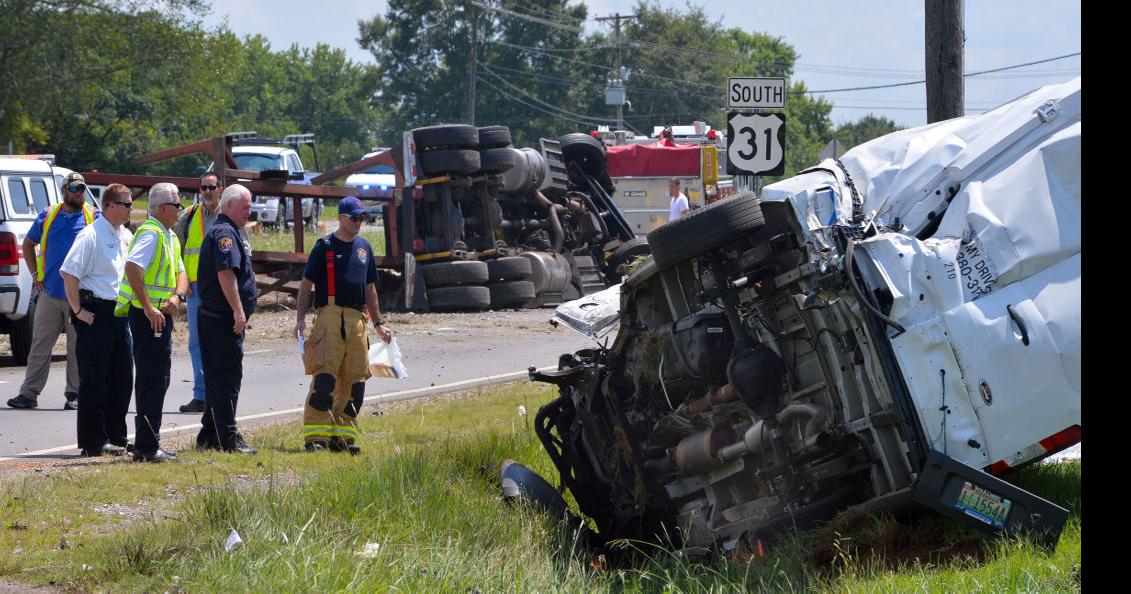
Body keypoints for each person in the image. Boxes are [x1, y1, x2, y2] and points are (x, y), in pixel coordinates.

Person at [294, 196, 392, 454]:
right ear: (341, 217)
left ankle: (342, 437)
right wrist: (300, 319)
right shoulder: (324, 246)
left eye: (362, 218)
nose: (359, 222)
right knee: (325, 380)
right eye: (355, 218)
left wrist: (379, 324)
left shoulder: (364, 248)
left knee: (356, 383)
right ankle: (316, 438)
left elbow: (370, 289)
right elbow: (306, 285)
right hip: (329, 317)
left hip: (357, 321)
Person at [7, 173, 97, 410]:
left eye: (82, 189)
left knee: (77, 347)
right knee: (39, 345)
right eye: (75, 189)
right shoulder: (48, 215)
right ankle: (28, 394)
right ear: (64, 190)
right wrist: (36, 275)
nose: (79, 193)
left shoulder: (93, 217)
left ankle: (75, 394)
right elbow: (28, 244)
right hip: (50, 293)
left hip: (79, 294)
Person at [60, 183, 134, 457]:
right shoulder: (90, 235)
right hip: (96, 312)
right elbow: (69, 273)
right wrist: (78, 311)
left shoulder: (125, 235)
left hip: (119, 313)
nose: (130, 209)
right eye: (126, 204)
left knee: (122, 376)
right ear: (111, 206)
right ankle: (93, 441)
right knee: (94, 378)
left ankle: (116, 435)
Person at [117, 182, 188, 462]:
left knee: (160, 378)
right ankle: (146, 447)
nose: (180, 210)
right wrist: (148, 307)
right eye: (177, 205)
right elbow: (133, 267)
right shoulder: (151, 232)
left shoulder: (169, 235)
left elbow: (181, 271)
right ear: (162, 207)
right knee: (151, 380)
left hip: (163, 313)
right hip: (149, 317)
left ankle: (150, 442)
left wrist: (178, 296)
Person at [195, 184, 257, 454]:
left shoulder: (230, 230)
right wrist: (238, 309)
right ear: (230, 205)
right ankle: (228, 438)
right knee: (228, 378)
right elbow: (226, 273)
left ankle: (209, 434)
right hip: (222, 319)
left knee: (216, 378)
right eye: (245, 206)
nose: (249, 211)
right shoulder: (224, 233)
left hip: (215, 318)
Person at [172, 172, 222, 414]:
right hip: (195, 290)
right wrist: (180, 286)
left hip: (222, 290)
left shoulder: (229, 215)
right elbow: (176, 251)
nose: (208, 191)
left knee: (220, 342)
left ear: (220, 188)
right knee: (197, 343)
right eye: (204, 187)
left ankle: (220, 395)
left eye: (212, 186)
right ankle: (201, 396)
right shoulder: (189, 215)